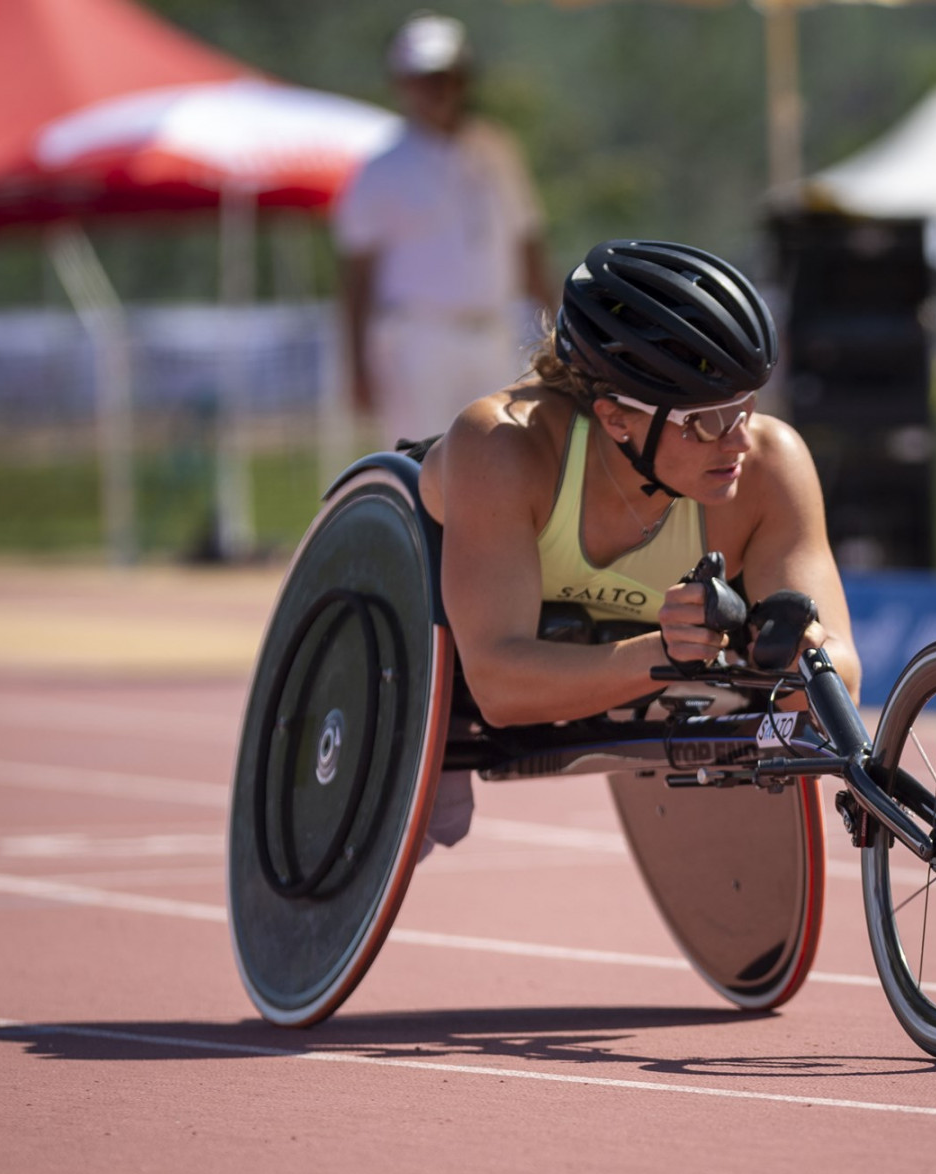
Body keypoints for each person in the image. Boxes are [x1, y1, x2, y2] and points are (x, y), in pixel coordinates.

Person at [413, 239, 860, 850]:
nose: (737, 442)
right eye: (705, 422)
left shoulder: (770, 466)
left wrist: (803, 653)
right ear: (617, 418)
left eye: (745, 407)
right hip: (431, 606)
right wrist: (665, 653)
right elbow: (501, 688)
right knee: (432, 827)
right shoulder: (502, 449)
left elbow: (843, 671)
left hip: (589, 646)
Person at [334, 11, 560, 445]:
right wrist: (356, 368)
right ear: (402, 84)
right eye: (424, 78)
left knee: (502, 455)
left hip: (496, 333)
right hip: (419, 340)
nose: (437, 89)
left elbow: (527, 243)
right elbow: (357, 276)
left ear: (464, 79)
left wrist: (557, 334)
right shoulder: (381, 167)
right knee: (423, 460)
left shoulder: (497, 149)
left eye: (446, 76)